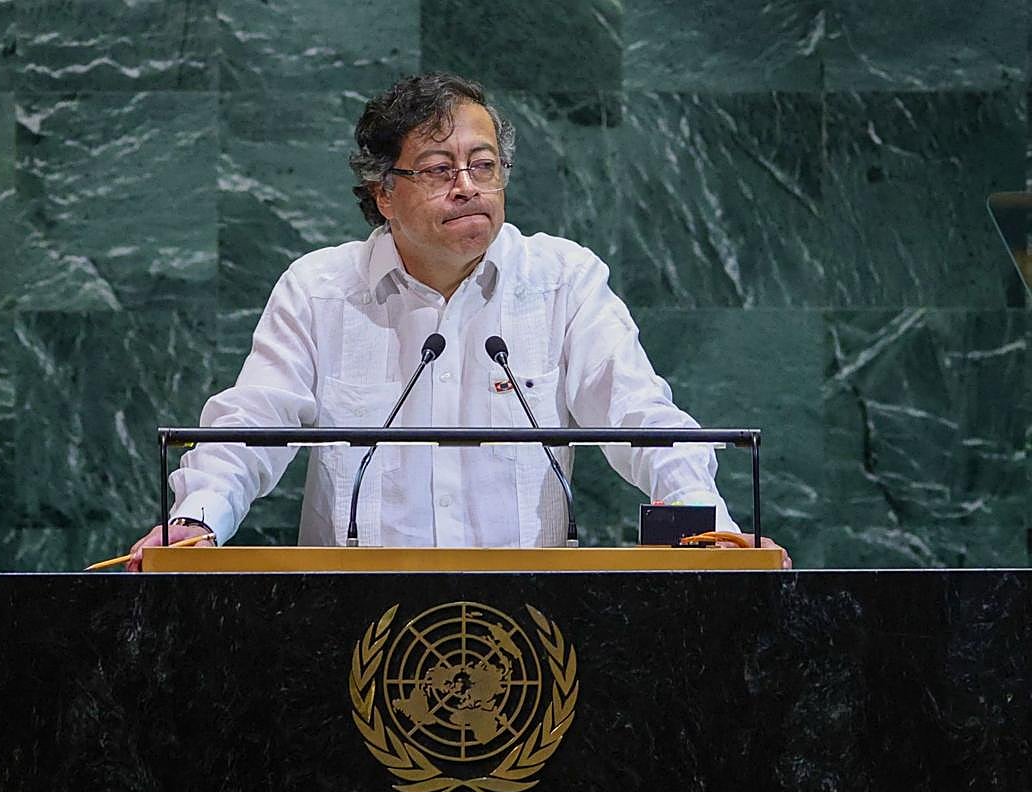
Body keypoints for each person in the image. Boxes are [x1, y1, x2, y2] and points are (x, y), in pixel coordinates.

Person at [127, 72, 788, 569]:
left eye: (484, 166)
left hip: (531, 623)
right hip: (351, 623)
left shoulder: (561, 281)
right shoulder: (320, 291)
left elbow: (642, 418)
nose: (469, 187)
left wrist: (705, 523)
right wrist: (197, 520)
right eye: (441, 170)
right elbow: (251, 425)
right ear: (385, 192)